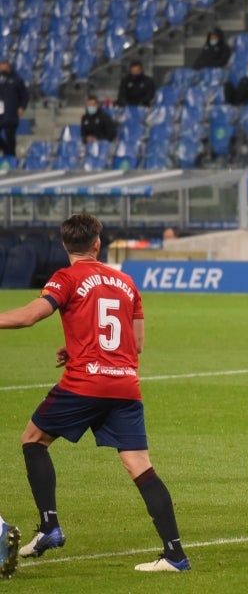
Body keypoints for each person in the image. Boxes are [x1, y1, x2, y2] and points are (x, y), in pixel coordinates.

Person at [0, 214, 190, 571]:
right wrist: (80, 347)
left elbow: (29, 316)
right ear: (97, 244)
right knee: (141, 467)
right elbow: (137, 344)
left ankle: (50, 525)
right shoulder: (126, 282)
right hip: (125, 384)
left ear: (64, 245)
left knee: (32, 440)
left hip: (86, 382)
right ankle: (175, 554)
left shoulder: (66, 277)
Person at [0, 60, 28, 157]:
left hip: (11, 114)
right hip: (0, 113)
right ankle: (5, 149)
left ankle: (11, 157)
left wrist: (22, 107)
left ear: (8, 67)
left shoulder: (17, 80)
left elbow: (24, 96)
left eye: (3, 66)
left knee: (10, 137)